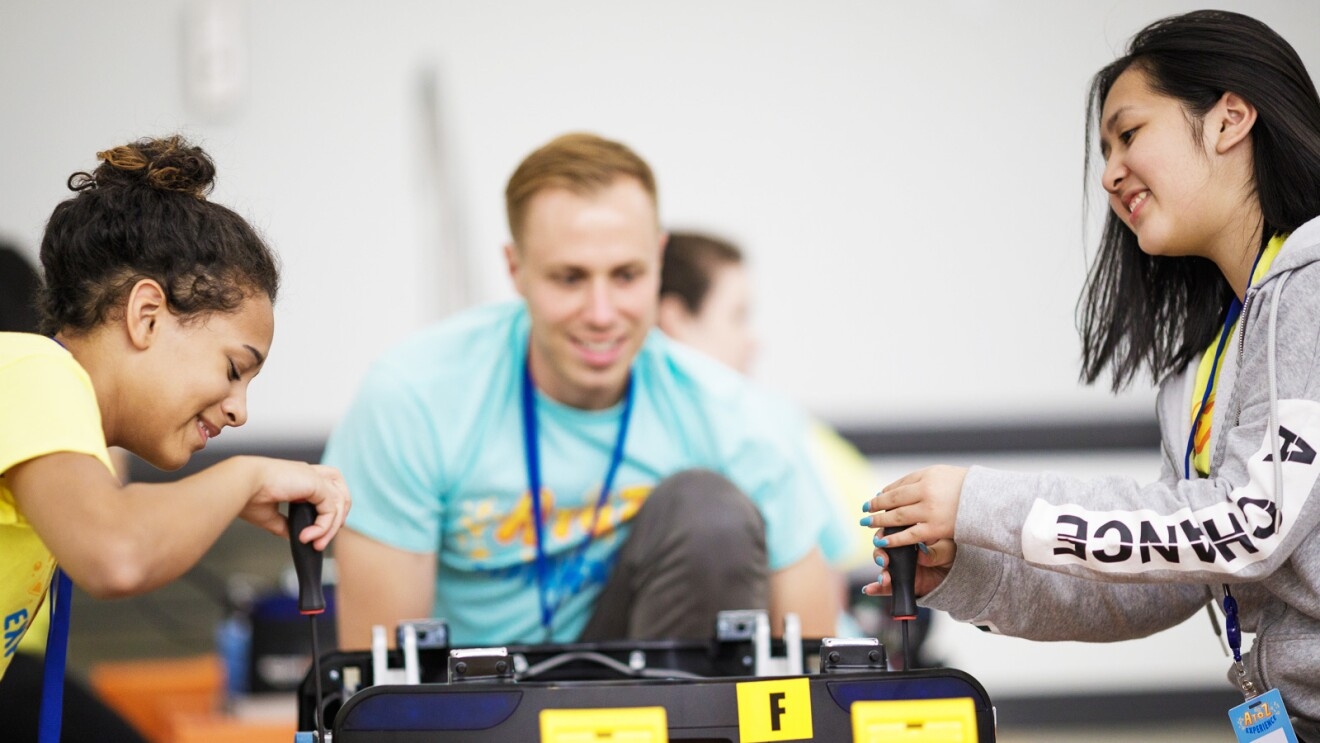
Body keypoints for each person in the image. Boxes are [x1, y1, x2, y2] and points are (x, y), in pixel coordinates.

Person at [862, 10, 1320, 736]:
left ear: (1230, 118)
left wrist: (979, 499)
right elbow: (1160, 582)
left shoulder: (1314, 286)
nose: (1109, 174)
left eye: (1129, 134)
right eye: (1104, 149)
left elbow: (1247, 524)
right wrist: (966, 569)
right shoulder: (1202, 369)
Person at [326, 132, 841, 650]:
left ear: (658, 260)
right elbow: (383, 678)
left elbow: (814, 666)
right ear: (516, 269)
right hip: (476, 708)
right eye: (570, 278)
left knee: (710, 515)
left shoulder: (730, 412)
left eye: (626, 275)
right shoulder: (413, 399)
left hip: (654, 711)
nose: (600, 314)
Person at [0, 136, 352, 733]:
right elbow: (118, 555)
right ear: (146, 316)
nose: (240, 412)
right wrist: (246, 476)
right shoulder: (32, 369)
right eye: (235, 369)